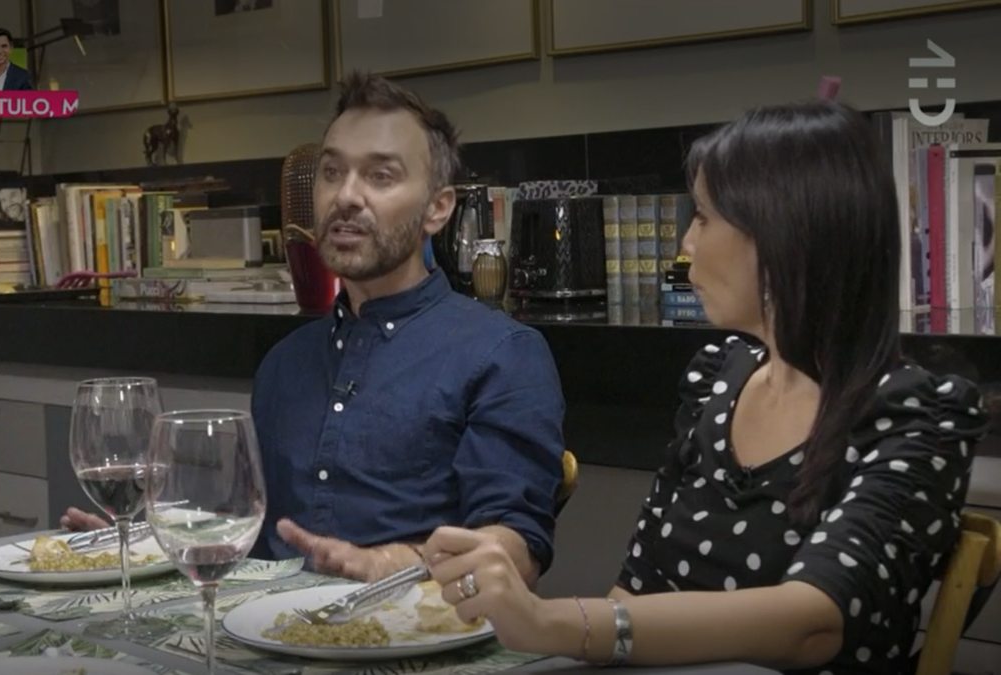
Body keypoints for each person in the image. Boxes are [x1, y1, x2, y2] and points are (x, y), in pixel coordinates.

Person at [421, 100, 989, 674]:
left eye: (704, 218)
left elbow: (813, 623)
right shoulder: (719, 376)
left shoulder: (916, 412)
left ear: (784, 234)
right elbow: (636, 588)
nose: (686, 244)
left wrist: (552, 623)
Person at [63, 71, 566, 586]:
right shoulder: (286, 363)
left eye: (380, 176)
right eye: (331, 172)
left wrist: (388, 564)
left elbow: (515, 550)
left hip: (419, 626)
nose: (346, 196)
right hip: (269, 626)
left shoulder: (501, 354)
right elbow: (252, 543)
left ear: (437, 208)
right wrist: (155, 545)